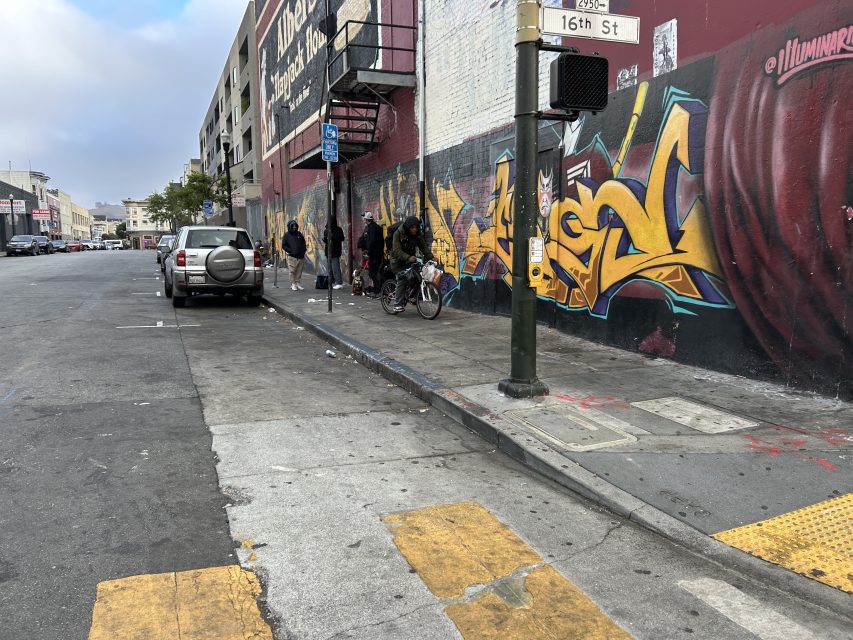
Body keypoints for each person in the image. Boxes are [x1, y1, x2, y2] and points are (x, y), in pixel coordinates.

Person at [390, 215, 434, 313]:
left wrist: (431, 257)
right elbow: (396, 250)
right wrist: (408, 257)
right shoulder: (398, 233)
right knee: (402, 279)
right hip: (397, 262)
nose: (414, 229)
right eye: (412, 227)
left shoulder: (417, 235)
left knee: (419, 277)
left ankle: (412, 296)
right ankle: (397, 304)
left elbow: (423, 247)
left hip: (410, 261)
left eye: (416, 227)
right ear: (408, 227)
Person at [358, 212, 384, 293]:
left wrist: (368, 251)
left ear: (366, 219)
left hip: (374, 253)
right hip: (377, 253)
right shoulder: (375, 227)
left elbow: (371, 241)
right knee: (374, 272)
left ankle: (378, 289)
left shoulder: (371, 228)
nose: (363, 220)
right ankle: (377, 288)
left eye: (364, 219)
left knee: (372, 272)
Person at [282, 220, 307, 291]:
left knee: (299, 271)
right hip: (292, 256)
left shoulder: (299, 234)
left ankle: (297, 283)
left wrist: (303, 251)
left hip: (300, 256)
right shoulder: (287, 235)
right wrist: (290, 251)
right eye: (293, 226)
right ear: (290, 227)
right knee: (292, 271)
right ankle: (293, 284)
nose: (294, 227)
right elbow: (283, 245)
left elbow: (303, 243)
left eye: (295, 226)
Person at [322, 220, 345, 289]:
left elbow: (341, 238)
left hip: (335, 251)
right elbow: (326, 240)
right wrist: (325, 239)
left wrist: (332, 237)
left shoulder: (338, 230)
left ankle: (338, 282)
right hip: (329, 251)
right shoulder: (326, 230)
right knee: (330, 267)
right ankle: (332, 281)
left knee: (335, 267)